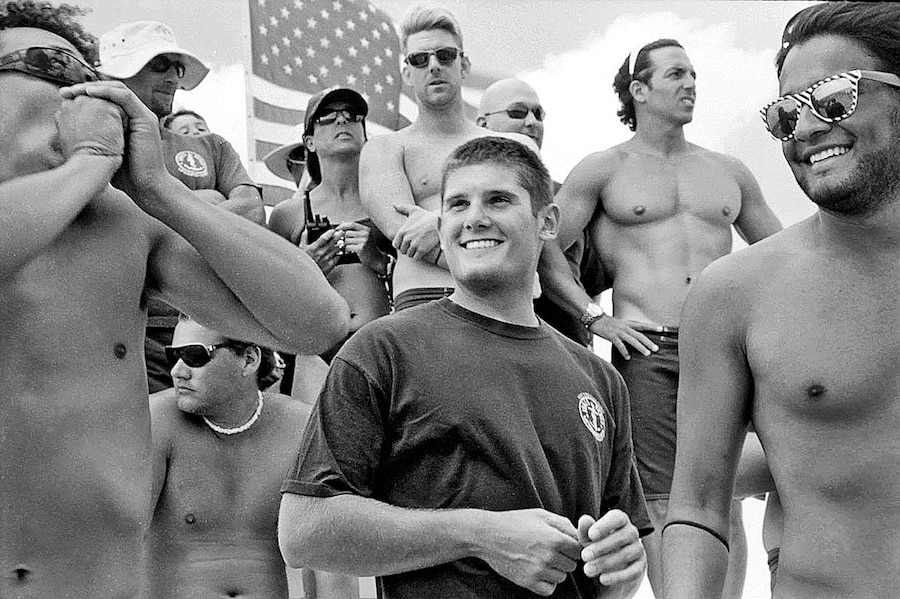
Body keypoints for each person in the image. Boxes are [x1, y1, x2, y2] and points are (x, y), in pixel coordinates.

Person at [0, 4, 349, 597]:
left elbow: (317, 321)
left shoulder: (124, 226)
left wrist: (159, 189)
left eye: (85, 76)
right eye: (48, 65)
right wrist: (86, 166)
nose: (76, 93)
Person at [278, 136, 651, 599]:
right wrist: (480, 534)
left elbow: (611, 567)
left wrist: (624, 570)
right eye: (457, 204)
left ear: (548, 222)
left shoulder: (600, 380)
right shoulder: (383, 350)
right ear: (441, 226)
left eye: (498, 200)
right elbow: (304, 531)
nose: (474, 217)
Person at [663, 3, 900, 598]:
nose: (809, 127)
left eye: (836, 97)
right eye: (786, 114)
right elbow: (697, 505)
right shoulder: (734, 293)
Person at [537, 39, 782, 597]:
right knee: (661, 494)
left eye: (693, 73)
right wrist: (594, 318)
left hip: (724, 347)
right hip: (648, 349)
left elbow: (782, 250)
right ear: (639, 90)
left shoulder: (728, 171)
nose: (691, 83)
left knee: (725, 489)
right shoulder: (603, 169)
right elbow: (545, 244)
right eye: (676, 74)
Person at [99, 20, 266, 393]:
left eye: (178, 67)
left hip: (206, 327)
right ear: (118, 71)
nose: (174, 77)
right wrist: (206, 204)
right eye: (160, 65)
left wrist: (170, 214)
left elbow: (252, 211)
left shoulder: (212, 146)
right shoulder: (91, 139)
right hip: (118, 324)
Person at [148, 317, 356, 599]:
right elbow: (120, 542)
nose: (178, 371)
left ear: (248, 360)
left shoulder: (299, 426)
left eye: (194, 356)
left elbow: (328, 559)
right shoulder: (158, 420)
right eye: (174, 356)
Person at [359, 4, 536, 312]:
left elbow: (531, 230)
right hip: (423, 299)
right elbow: (404, 234)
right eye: (420, 59)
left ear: (463, 64)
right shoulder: (385, 149)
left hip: (504, 305)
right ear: (407, 73)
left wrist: (437, 223)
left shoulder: (515, 146)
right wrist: (492, 257)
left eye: (445, 55)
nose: (434, 66)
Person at [269, 88, 394, 363]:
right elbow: (268, 298)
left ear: (364, 135)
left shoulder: (388, 204)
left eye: (352, 114)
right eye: (326, 116)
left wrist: (379, 260)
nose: (341, 120)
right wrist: (305, 267)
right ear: (309, 142)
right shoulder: (287, 215)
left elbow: (417, 280)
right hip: (314, 355)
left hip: (380, 348)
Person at [478, 77, 600, 346]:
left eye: (538, 114)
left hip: (572, 343)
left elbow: (589, 278)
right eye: (518, 112)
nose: (532, 122)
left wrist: (592, 324)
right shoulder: (463, 197)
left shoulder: (568, 194)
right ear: (483, 124)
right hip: (500, 340)